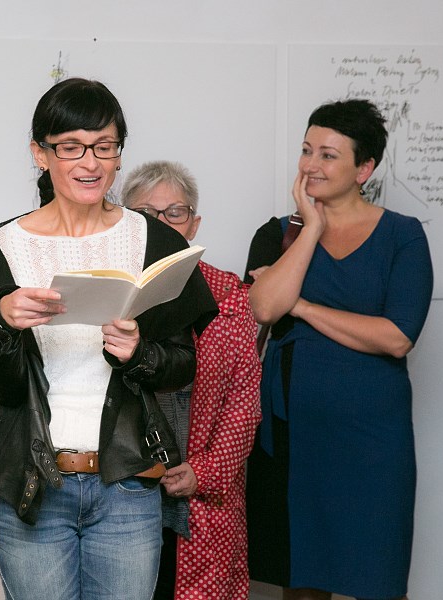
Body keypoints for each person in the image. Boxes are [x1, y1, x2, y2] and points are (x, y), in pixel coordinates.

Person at [0, 78, 218, 600]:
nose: (90, 163)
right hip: (33, 481)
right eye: (71, 147)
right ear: (40, 154)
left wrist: (138, 354)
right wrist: (2, 322)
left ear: (119, 154)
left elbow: (183, 364)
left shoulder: (154, 239)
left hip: (128, 484)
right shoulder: (0, 247)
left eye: (104, 146)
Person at [244, 99, 433, 600]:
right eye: (307, 150)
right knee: (303, 582)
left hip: (373, 441)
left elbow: (396, 336)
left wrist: (304, 307)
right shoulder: (278, 233)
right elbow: (263, 308)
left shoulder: (403, 237)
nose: (311, 164)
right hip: (293, 436)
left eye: (328, 155)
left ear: (363, 169)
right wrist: (311, 228)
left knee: (379, 578)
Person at [123, 161, 262, 599]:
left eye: (175, 212)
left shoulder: (227, 294)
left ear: (194, 224)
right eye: (146, 214)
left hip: (200, 491)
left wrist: (205, 471)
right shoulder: (111, 293)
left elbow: (244, 402)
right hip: (122, 489)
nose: (161, 224)